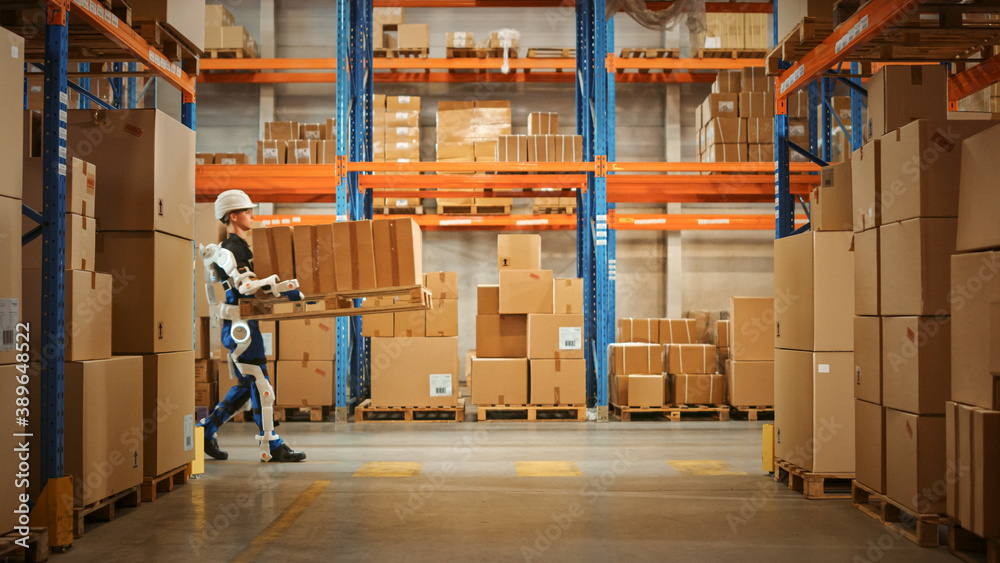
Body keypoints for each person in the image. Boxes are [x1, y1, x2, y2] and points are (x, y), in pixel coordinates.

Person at [197, 190, 306, 463]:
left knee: (248, 385)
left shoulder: (236, 247)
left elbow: (250, 287)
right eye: (247, 211)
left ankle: (206, 431)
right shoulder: (233, 248)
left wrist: (280, 291)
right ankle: (271, 445)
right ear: (233, 216)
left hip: (241, 324)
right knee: (261, 384)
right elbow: (246, 286)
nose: (252, 215)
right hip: (239, 326)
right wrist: (285, 286)